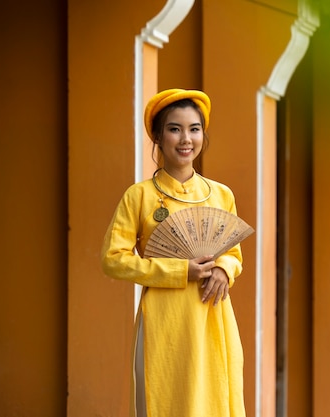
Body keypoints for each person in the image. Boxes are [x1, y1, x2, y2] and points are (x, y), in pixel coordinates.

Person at [101, 89, 246, 417]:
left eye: (194, 129)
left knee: (215, 398)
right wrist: (180, 272)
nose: (186, 139)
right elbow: (113, 259)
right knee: (166, 401)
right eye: (174, 128)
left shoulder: (221, 194)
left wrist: (223, 268)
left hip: (212, 315)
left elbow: (234, 252)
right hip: (163, 320)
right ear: (157, 136)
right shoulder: (140, 196)